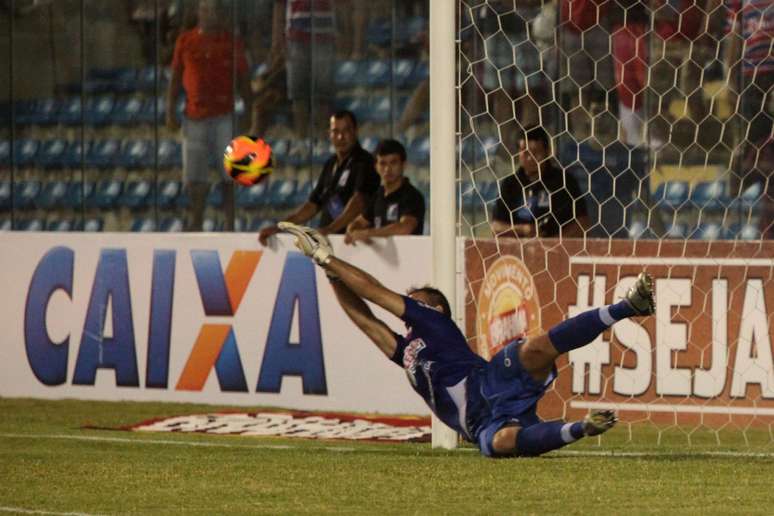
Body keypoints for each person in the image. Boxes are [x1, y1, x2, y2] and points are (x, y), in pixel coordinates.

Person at [276, 221, 656, 458]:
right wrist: (330, 277)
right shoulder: (407, 351)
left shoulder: (435, 325)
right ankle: (580, 428)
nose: (411, 304)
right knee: (500, 444)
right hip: (480, 424)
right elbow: (365, 321)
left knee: (535, 348)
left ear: (435, 309)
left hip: (491, 380)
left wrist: (327, 258)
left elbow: (374, 293)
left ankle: (628, 306)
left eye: (418, 300)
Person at [165, 0, 254, 232]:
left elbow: (244, 79)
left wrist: (249, 110)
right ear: (198, 13)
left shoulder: (232, 42)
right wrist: (169, 109)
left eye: (213, 10)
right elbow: (175, 78)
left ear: (220, 14)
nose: (208, 14)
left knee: (229, 175)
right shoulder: (185, 40)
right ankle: (196, 223)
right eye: (204, 9)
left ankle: (230, 223)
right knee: (195, 178)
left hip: (224, 116)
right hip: (193, 117)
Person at [258, 110, 380, 245]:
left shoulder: (365, 162)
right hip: (330, 241)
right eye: (335, 131)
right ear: (329, 134)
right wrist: (280, 227)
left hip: (355, 242)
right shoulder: (330, 163)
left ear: (356, 131)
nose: (340, 137)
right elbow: (313, 205)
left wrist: (330, 229)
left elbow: (359, 202)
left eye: (346, 131)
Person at [491, 126, 588, 238]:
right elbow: (495, 227)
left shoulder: (564, 181)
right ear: (518, 153)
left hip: (557, 250)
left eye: (536, 152)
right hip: (519, 251)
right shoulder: (510, 184)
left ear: (547, 152)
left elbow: (583, 224)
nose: (530, 158)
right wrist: (523, 230)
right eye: (525, 152)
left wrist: (554, 243)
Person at [344, 139, 425, 245]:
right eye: (382, 163)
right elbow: (359, 221)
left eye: (393, 163)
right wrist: (352, 230)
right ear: (376, 167)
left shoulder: (412, 196)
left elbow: (405, 228)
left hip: (409, 259)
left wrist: (368, 233)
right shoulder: (378, 195)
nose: (387, 169)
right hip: (379, 261)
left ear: (403, 165)